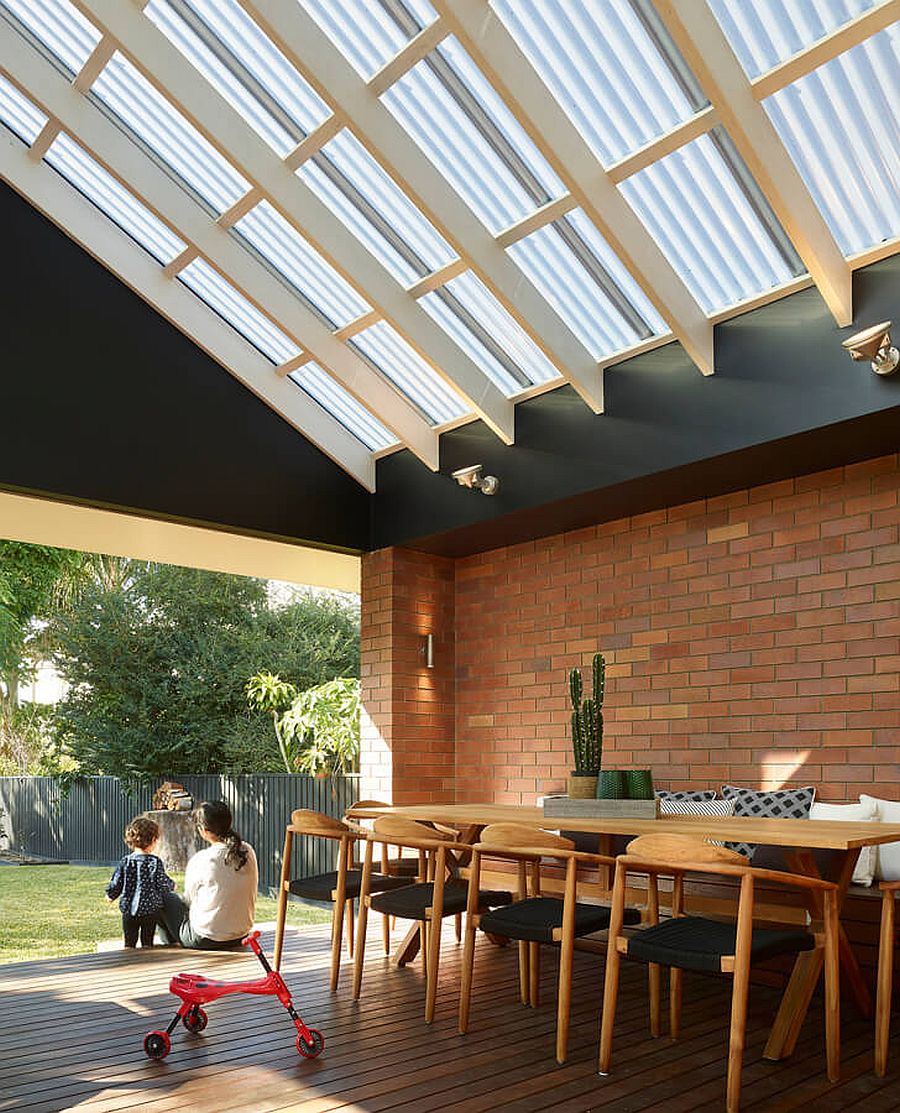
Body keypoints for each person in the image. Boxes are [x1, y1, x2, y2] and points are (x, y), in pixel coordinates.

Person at [159, 800, 258, 949]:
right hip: (241, 935)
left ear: (203, 831)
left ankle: (170, 945)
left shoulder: (202, 859)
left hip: (205, 938)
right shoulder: (248, 851)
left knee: (165, 897)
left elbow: (188, 900)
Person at [105, 815, 175, 948]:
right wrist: (172, 885)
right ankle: (146, 959)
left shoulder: (125, 861)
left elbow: (117, 881)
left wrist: (110, 895)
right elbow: (162, 883)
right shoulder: (154, 862)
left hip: (129, 911)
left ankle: (129, 959)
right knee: (147, 942)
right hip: (150, 911)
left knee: (129, 942)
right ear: (153, 840)